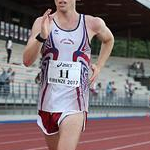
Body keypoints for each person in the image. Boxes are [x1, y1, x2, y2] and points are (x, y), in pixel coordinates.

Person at [23, 0, 114, 150]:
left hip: (75, 103)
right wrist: (42, 36)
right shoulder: (42, 22)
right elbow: (27, 61)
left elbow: (109, 40)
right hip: (48, 102)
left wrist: (99, 65)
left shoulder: (92, 23)